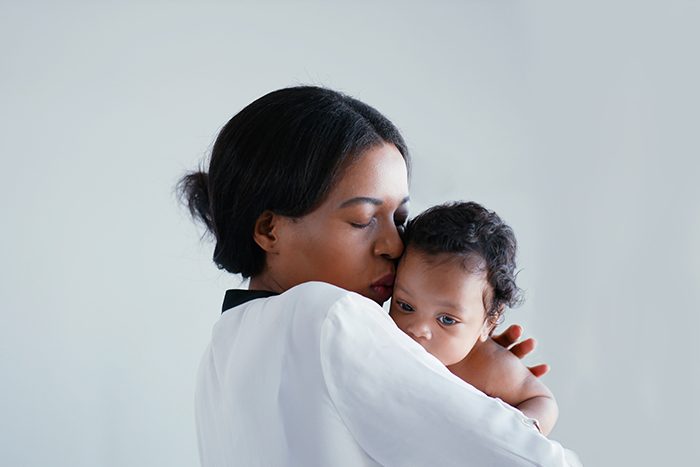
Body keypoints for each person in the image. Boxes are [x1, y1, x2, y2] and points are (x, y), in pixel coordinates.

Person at [179, 86, 581, 466]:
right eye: (363, 219)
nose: (393, 244)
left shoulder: (219, 356)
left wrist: (454, 386)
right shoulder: (330, 315)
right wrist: (508, 410)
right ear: (270, 230)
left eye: (399, 218)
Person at [389, 201, 558, 435]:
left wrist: (519, 430)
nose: (418, 329)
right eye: (405, 306)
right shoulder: (385, 340)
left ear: (489, 321)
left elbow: (542, 400)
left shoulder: (486, 366)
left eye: (447, 319)